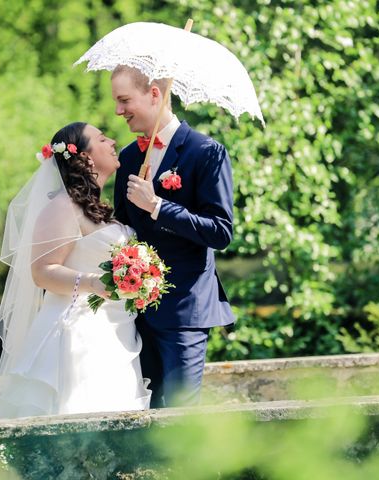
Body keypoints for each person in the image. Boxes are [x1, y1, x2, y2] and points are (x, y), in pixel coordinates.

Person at [0, 122, 150, 419]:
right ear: (87, 158)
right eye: (102, 138)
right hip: (75, 333)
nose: (113, 140)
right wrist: (93, 281)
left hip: (115, 329)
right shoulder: (63, 206)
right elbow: (42, 271)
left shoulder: (99, 207)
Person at [111, 65, 236, 408]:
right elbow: (121, 229)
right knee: (141, 412)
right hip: (134, 312)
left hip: (185, 312)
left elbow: (221, 231)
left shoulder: (206, 152)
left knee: (181, 417)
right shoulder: (128, 157)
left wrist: (158, 206)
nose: (118, 111)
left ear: (155, 94)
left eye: (124, 100)